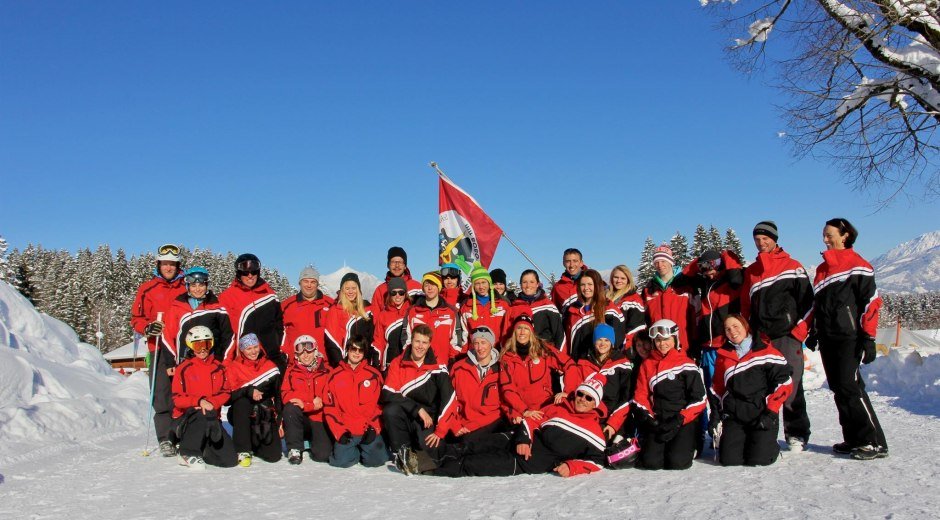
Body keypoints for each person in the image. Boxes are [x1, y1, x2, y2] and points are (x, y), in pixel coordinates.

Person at [421, 373, 608, 478]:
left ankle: (430, 470)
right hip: (513, 439)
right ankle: (423, 458)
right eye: (580, 394)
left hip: (527, 461)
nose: (582, 400)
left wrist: (572, 466)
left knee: (473, 463)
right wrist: (524, 439)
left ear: (596, 403)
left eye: (589, 398)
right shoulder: (558, 408)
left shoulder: (595, 434)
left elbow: (597, 461)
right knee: (469, 446)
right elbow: (532, 420)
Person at [809, 218, 888, 460]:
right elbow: (819, 306)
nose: (825, 239)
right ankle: (854, 438)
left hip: (849, 337)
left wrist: (868, 337)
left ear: (845, 236)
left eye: (829, 234)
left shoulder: (858, 265)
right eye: (823, 234)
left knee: (850, 386)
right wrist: (814, 330)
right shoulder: (822, 270)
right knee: (839, 388)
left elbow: (870, 303)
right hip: (828, 337)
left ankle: (872, 441)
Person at [741, 220, 813, 451]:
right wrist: (749, 334)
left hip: (787, 337)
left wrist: (798, 332)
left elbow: (809, 303)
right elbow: (745, 307)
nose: (761, 243)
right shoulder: (752, 272)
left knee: (792, 385)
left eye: (765, 239)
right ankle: (765, 430)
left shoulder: (792, 266)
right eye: (757, 240)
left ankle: (797, 433)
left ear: (775, 239)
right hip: (762, 339)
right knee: (762, 387)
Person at [710, 314, 792, 466]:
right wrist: (716, 416)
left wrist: (771, 411)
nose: (732, 331)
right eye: (727, 329)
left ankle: (771, 447)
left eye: (736, 326)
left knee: (758, 459)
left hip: (761, 413)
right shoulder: (723, 356)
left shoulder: (766, 351)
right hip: (736, 414)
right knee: (729, 460)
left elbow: (784, 381)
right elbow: (717, 389)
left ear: (745, 327)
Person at [130, 243, 187, 457]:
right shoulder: (147, 288)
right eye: (165, 264)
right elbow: (136, 318)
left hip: (183, 349)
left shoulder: (187, 287)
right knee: (162, 395)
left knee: (184, 392)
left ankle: (184, 434)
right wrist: (147, 327)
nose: (169, 268)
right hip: (159, 348)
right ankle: (166, 438)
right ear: (159, 264)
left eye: (172, 264)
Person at [381, 324, 457, 473]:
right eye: (417, 341)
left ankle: (418, 457)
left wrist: (440, 431)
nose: (420, 346)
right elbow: (387, 393)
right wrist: (417, 409)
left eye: (424, 342)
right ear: (411, 341)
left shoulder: (437, 365)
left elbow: (449, 399)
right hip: (408, 414)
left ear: (429, 344)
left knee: (432, 459)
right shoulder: (398, 362)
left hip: (428, 420)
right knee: (390, 410)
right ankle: (403, 454)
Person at [632, 319, 706, 470]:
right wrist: (649, 418)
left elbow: (699, 398)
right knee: (651, 463)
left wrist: (680, 419)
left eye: (666, 339)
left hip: (681, 419)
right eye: (658, 340)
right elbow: (641, 394)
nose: (662, 343)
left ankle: (692, 444)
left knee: (677, 463)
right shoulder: (647, 364)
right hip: (659, 419)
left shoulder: (687, 364)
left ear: (675, 339)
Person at [170, 326, 237, 469]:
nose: (202, 349)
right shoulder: (184, 368)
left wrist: (212, 402)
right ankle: (187, 452)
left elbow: (226, 392)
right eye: (198, 345)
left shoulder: (218, 368)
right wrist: (199, 401)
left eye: (206, 344)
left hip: (212, 419)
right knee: (200, 413)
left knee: (229, 460)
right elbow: (177, 398)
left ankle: (204, 448)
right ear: (190, 346)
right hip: (188, 418)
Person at [323, 335, 389, 468]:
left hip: (367, 429)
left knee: (376, 461)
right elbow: (330, 407)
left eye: (360, 350)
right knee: (341, 462)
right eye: (353, 349)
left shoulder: (374, 375)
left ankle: (367, 450)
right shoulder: (334, 375)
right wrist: (339, 431)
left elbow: (381, 405)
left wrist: (374, 427)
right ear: (347, 350)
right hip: (346, 430)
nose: (356, 353)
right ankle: (353, 452)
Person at [563, 324, 633, 440]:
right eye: (599, 339)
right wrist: (567, 393)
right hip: (587, 413)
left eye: (606, 340)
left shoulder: (622, 364)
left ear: (612, 343)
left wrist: (613, 424)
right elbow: (576, 387)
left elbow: (626, 398)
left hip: (612, 416)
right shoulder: (583, 361)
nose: (602, 344)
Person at [224, 333, 282, 467]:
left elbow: (278, 395)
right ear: (242, 350)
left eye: (255, 347)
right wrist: (248, 391)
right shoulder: (234, 367)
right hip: (241, 414)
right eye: (248, 349)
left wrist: (279, 420)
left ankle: (255, 443)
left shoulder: (270, 366)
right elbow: (227, 398)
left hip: (264, 413)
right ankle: (242, 449)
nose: (253, 351)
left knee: (274, 456)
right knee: (242, 402)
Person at [219, 253, 286, 371]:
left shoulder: (269, 295)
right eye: (245, 272)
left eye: (253, 272)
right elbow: (225, 333)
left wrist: (281, 349)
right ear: (239, 274)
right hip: (244, 361)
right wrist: (227, 361)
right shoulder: (227, 297)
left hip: (272, 357)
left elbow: (280, 325)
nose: (250, 276)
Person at [500, 314, 570, 423]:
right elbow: (507, 390)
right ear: (514, 332)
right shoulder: (507, 358)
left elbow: (569, 365)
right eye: (519, 328)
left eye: (526, 329)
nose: (522, 332)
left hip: (546, 408)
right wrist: (523, 411)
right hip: (524, 412)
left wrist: (568, 391)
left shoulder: (543, 350)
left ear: (531, 332)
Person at [160, 266, 235, 363]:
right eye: (193, 285)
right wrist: (170, 362)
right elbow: (168, 336)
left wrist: (226, 361)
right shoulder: (178, 306)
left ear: (207, 285)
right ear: (188, 287)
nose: (198, 289)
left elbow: (228, 336)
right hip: (185, 362)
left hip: (212, 363)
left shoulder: (217, 307)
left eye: (201, 285)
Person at [281, 335, 333, 465]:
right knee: (290, 408)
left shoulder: (327, 371)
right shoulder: (291, 371)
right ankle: (295, 448)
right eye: (301, 351)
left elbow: (327, 397)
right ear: (296, 354)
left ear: (315, 350)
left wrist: (308, 404)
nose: (305, 355)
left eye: (309, 350)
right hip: (300, 416)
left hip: (319, 417)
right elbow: (286, 395)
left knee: (323, 455)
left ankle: (311, 441)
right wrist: (309, 402)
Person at [449, 326, 506, 441]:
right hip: (463, 425)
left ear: (491, 344)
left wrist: (474, 426)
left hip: (491, 424)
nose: (480, 347)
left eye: (484, 342)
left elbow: (505, 404)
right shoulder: (459, 368)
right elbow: (449, 401)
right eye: (476, 343)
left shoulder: (502, 369)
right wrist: (454, 425)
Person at [641, 245, 695, 355]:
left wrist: (695, 345)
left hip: (683, 347)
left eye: (663, 261)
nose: (660, 265)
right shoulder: (648, 290)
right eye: (656, 262)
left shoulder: (686, 286)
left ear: (671, 262)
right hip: (659, 347)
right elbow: (644, 320)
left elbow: (695, 317)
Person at [404, 272, 465, 366]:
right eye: (426, 285)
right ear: (423, 288)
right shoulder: (413, 311)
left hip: (443, 365)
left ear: (439, 287)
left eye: (433, 284)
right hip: (418, 365)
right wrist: (411, 357)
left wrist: (451, 358)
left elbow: (456, 340)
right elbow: (406, 338)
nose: (430, 288)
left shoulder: (451, 312)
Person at [564, 269, 624, 361]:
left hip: (598, 365)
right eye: (582, 285)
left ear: (597, 286)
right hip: (576, 364)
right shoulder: (572, 310)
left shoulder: (608, 309)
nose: (586, 288)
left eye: (590, 284)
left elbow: (617, 340)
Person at [281, 265, 334, 359]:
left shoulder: (330, 305)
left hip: (324, 364)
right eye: (305, 281)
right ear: (300, 283)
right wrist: (287, 354)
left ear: (317, 284)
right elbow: (278, 333)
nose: (309, 285)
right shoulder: (287, 306)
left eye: (313, 282)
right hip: (296, 364)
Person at [323, 272, 374, 368]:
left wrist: (367, 362)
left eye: (353, 288)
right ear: (342, 290)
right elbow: (331, 341)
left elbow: (370, 338)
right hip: (344, 364)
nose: (351, 291)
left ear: (358, 290)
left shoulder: (367, 309)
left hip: (363, 364)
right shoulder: (336, 310)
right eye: (347, 288)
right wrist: (340, 364)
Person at [506, 269, 565, 350]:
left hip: (544, 355)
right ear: (520, 285)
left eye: (531, 282)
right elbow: (508, 335)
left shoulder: (548, 306)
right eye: (524, 282)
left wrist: (559, 357)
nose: (528, 285)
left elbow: (560, 335)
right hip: (521, 356)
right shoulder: (514, 307)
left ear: (537, 284)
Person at [461, 263, 509, 351]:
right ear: (473, 286)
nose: (481, 287)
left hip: (497, 352)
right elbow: (465, 334)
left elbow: (506, 332)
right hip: (475, 353)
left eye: (484, 282)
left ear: (489, 283)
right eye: (477, 283)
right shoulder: (466, 307)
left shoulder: (503, 304)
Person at [371, 277, 411, 371]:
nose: (397, 295)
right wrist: (377, 361)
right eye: (394, 293)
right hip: (389, 363)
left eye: (401, 292)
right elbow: (378, 341)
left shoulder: (412, 311)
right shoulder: (383, 315)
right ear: (390, 294)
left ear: (405, 294)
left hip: (408, 363)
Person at [606, 265, 646, 355]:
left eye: (623, 278)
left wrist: (625, 347)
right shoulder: (606, 297)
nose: (619, 281)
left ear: (628, 280)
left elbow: (636, 327)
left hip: (623, 349)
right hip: (605, 346)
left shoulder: (634, 299)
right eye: (616, 277)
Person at [371, 246, 423, 312]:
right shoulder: (380, 290)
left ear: (405, 266)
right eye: (393, 262)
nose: (397, 265)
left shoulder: (417, 287)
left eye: (400, 262)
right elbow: (375, 316)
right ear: (388, 265)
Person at [551, 248, 588, 315]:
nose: (571, 265)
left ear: (581, 263)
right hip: (571, 324)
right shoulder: (558, 288)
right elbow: (553, 313)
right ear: (563, 263)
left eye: (575, 261)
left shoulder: (592, 279)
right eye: (568, 261)